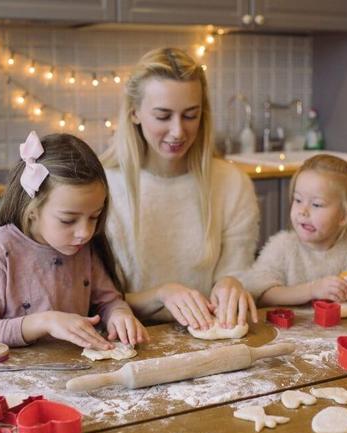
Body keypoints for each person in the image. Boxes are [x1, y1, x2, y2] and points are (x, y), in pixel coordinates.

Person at [101, 47, 259, 331]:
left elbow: (237, 272)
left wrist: (232, 283)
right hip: (131, 340)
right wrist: (162, 294)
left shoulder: (233, 184)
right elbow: (97, 300)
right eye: (163, 116)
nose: (178, 131)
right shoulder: (104, 187)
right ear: (134, 113)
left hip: (210, 335)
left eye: (190, 115)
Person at [0, 131, 148, 352]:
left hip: (74, 372)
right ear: (32, 211)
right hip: (17, 379)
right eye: (68, 220)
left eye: (94, 217)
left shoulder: (83, 248)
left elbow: (108, 301)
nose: (85, 232)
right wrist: (45, 322)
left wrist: (119, 313)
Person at [241, 154, 347, 306]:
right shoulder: (281, 247)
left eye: (317, 204)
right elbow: (261, 293)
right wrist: (312, 290)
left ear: (345, 216)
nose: (303, 211)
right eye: (298, 200)